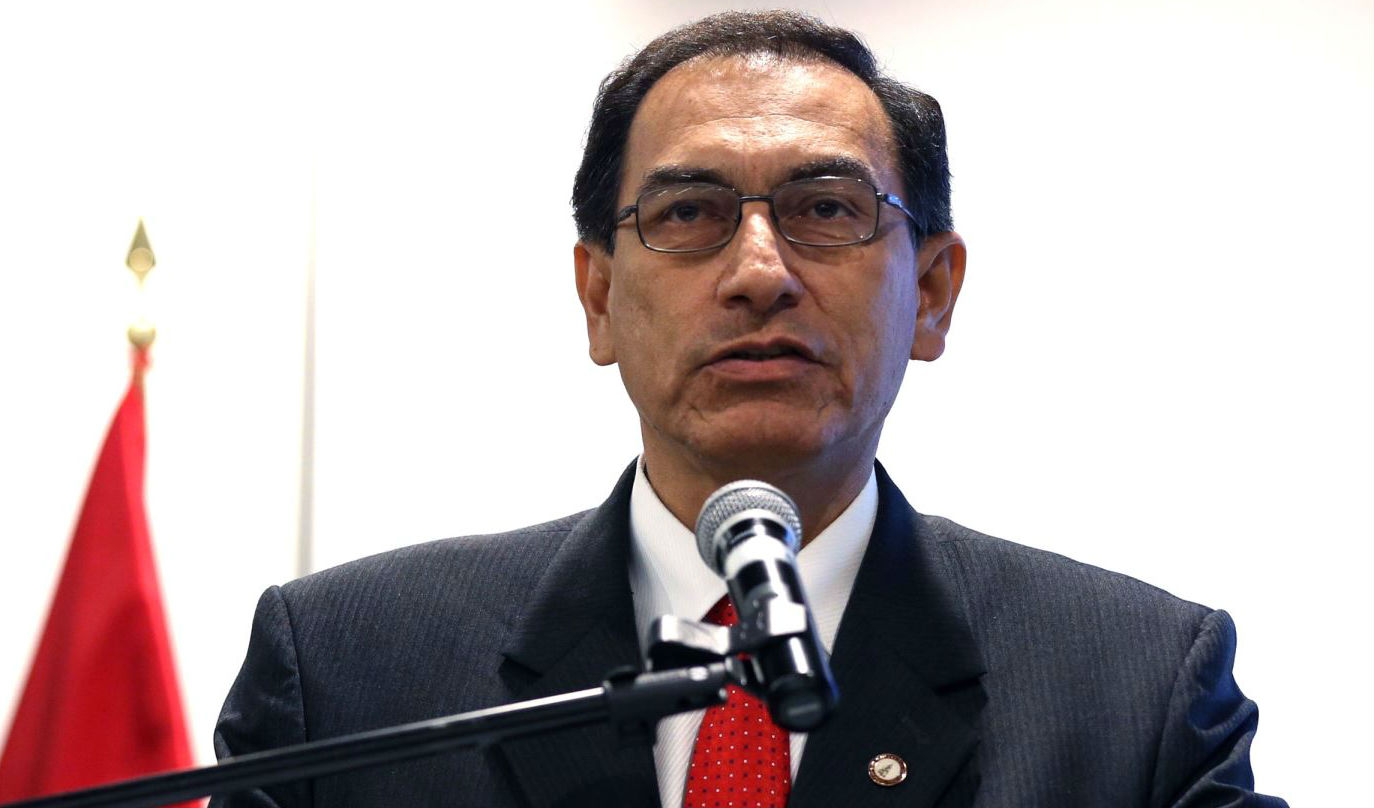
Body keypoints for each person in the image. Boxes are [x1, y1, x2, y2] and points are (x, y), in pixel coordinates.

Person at [212, 11, 1285, 807]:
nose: (760, 272)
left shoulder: (1134, 691)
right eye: (690, 212)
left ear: (933, 293)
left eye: (827, 208)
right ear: (599, 297)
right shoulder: (350, 673)